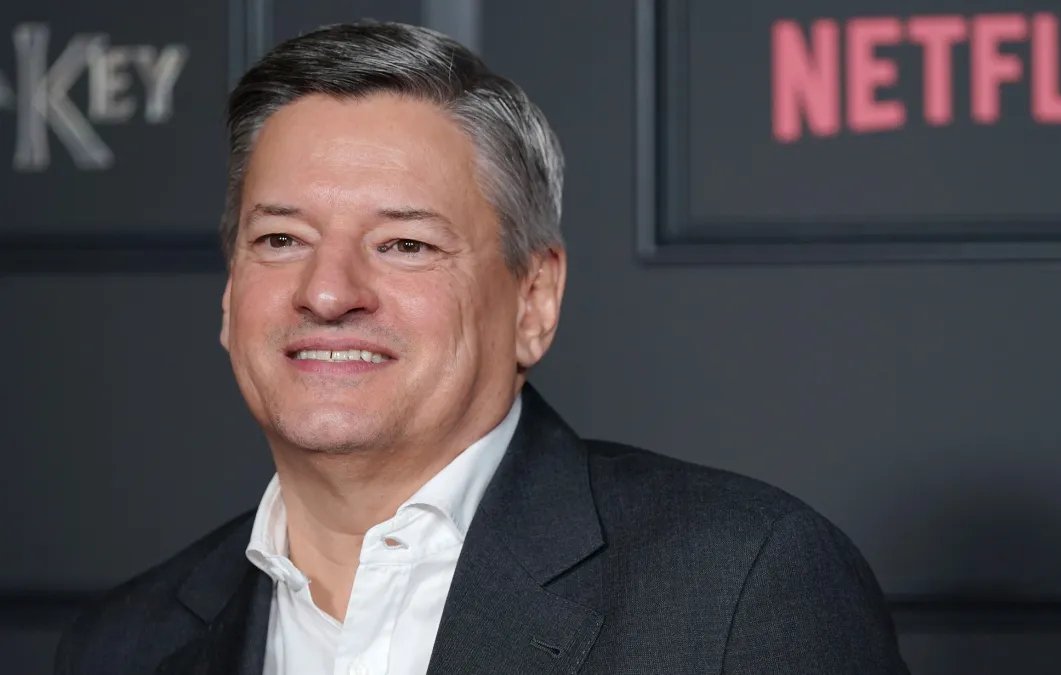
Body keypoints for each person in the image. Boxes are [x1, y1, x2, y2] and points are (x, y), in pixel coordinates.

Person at [55, 21, 909, 674]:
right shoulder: (120, 645)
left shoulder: (741, 588)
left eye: (405, 244)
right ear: (230, 291)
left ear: (533, 300)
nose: (327, 291)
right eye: (281, 239)